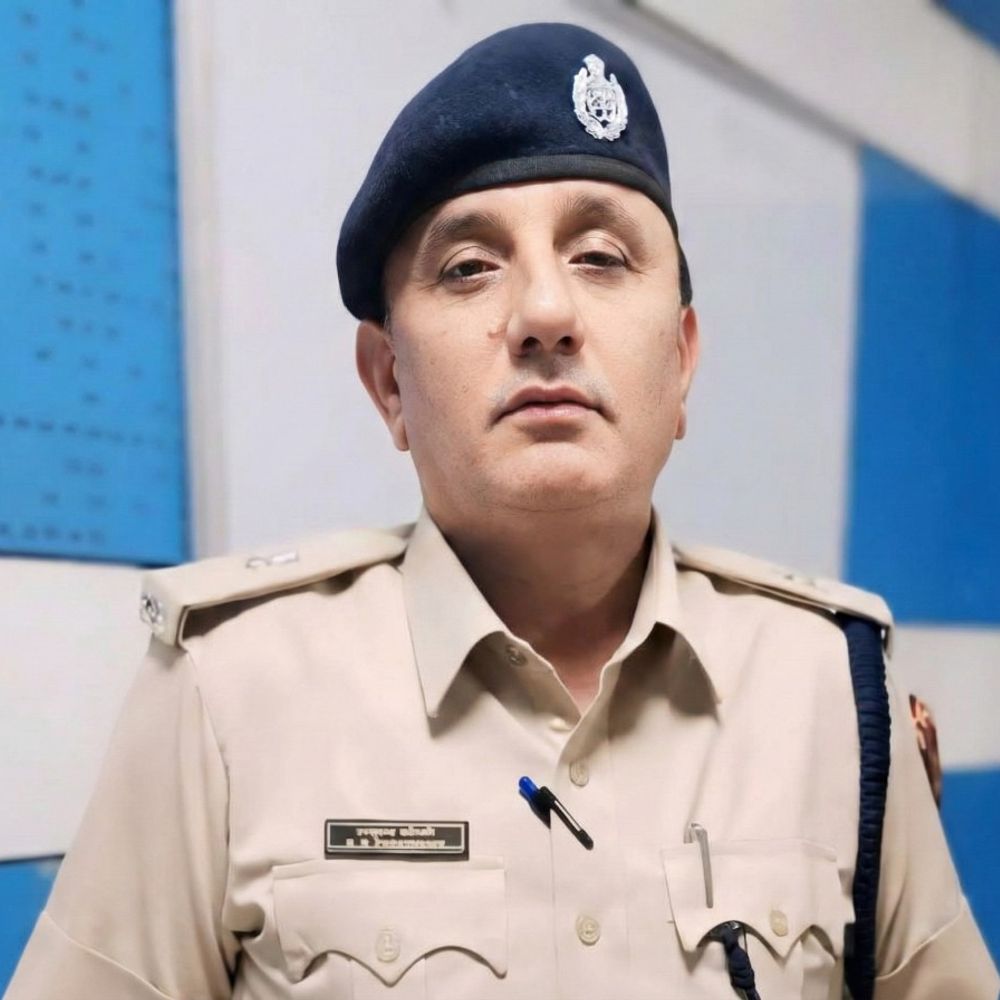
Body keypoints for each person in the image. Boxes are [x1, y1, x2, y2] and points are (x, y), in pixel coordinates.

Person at [6, 21, 997, 1000]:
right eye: (469, 267)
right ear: (388, 382)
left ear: (681, 358)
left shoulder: (831, 693)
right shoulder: (227, 694)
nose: (545, 314)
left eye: (600, 256)